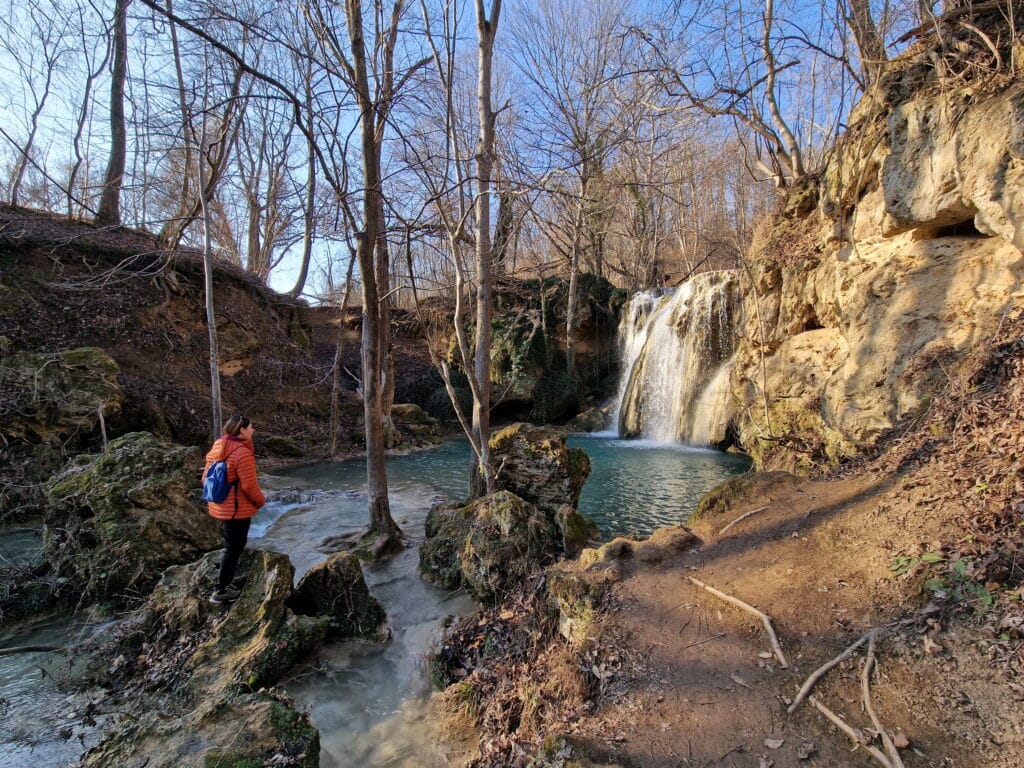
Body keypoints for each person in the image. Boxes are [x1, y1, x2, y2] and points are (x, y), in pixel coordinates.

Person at [202, 415, 266, 604]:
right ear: (242, 430)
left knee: (231, 545)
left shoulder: (218, 447)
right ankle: (221, 590)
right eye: (250, 427)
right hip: (237, 509)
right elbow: (249, 486)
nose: (253, 430)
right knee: (234, 547)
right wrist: (261, 501)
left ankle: (224, 584)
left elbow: (205, 478)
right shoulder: (242, 454)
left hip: (221, 505)